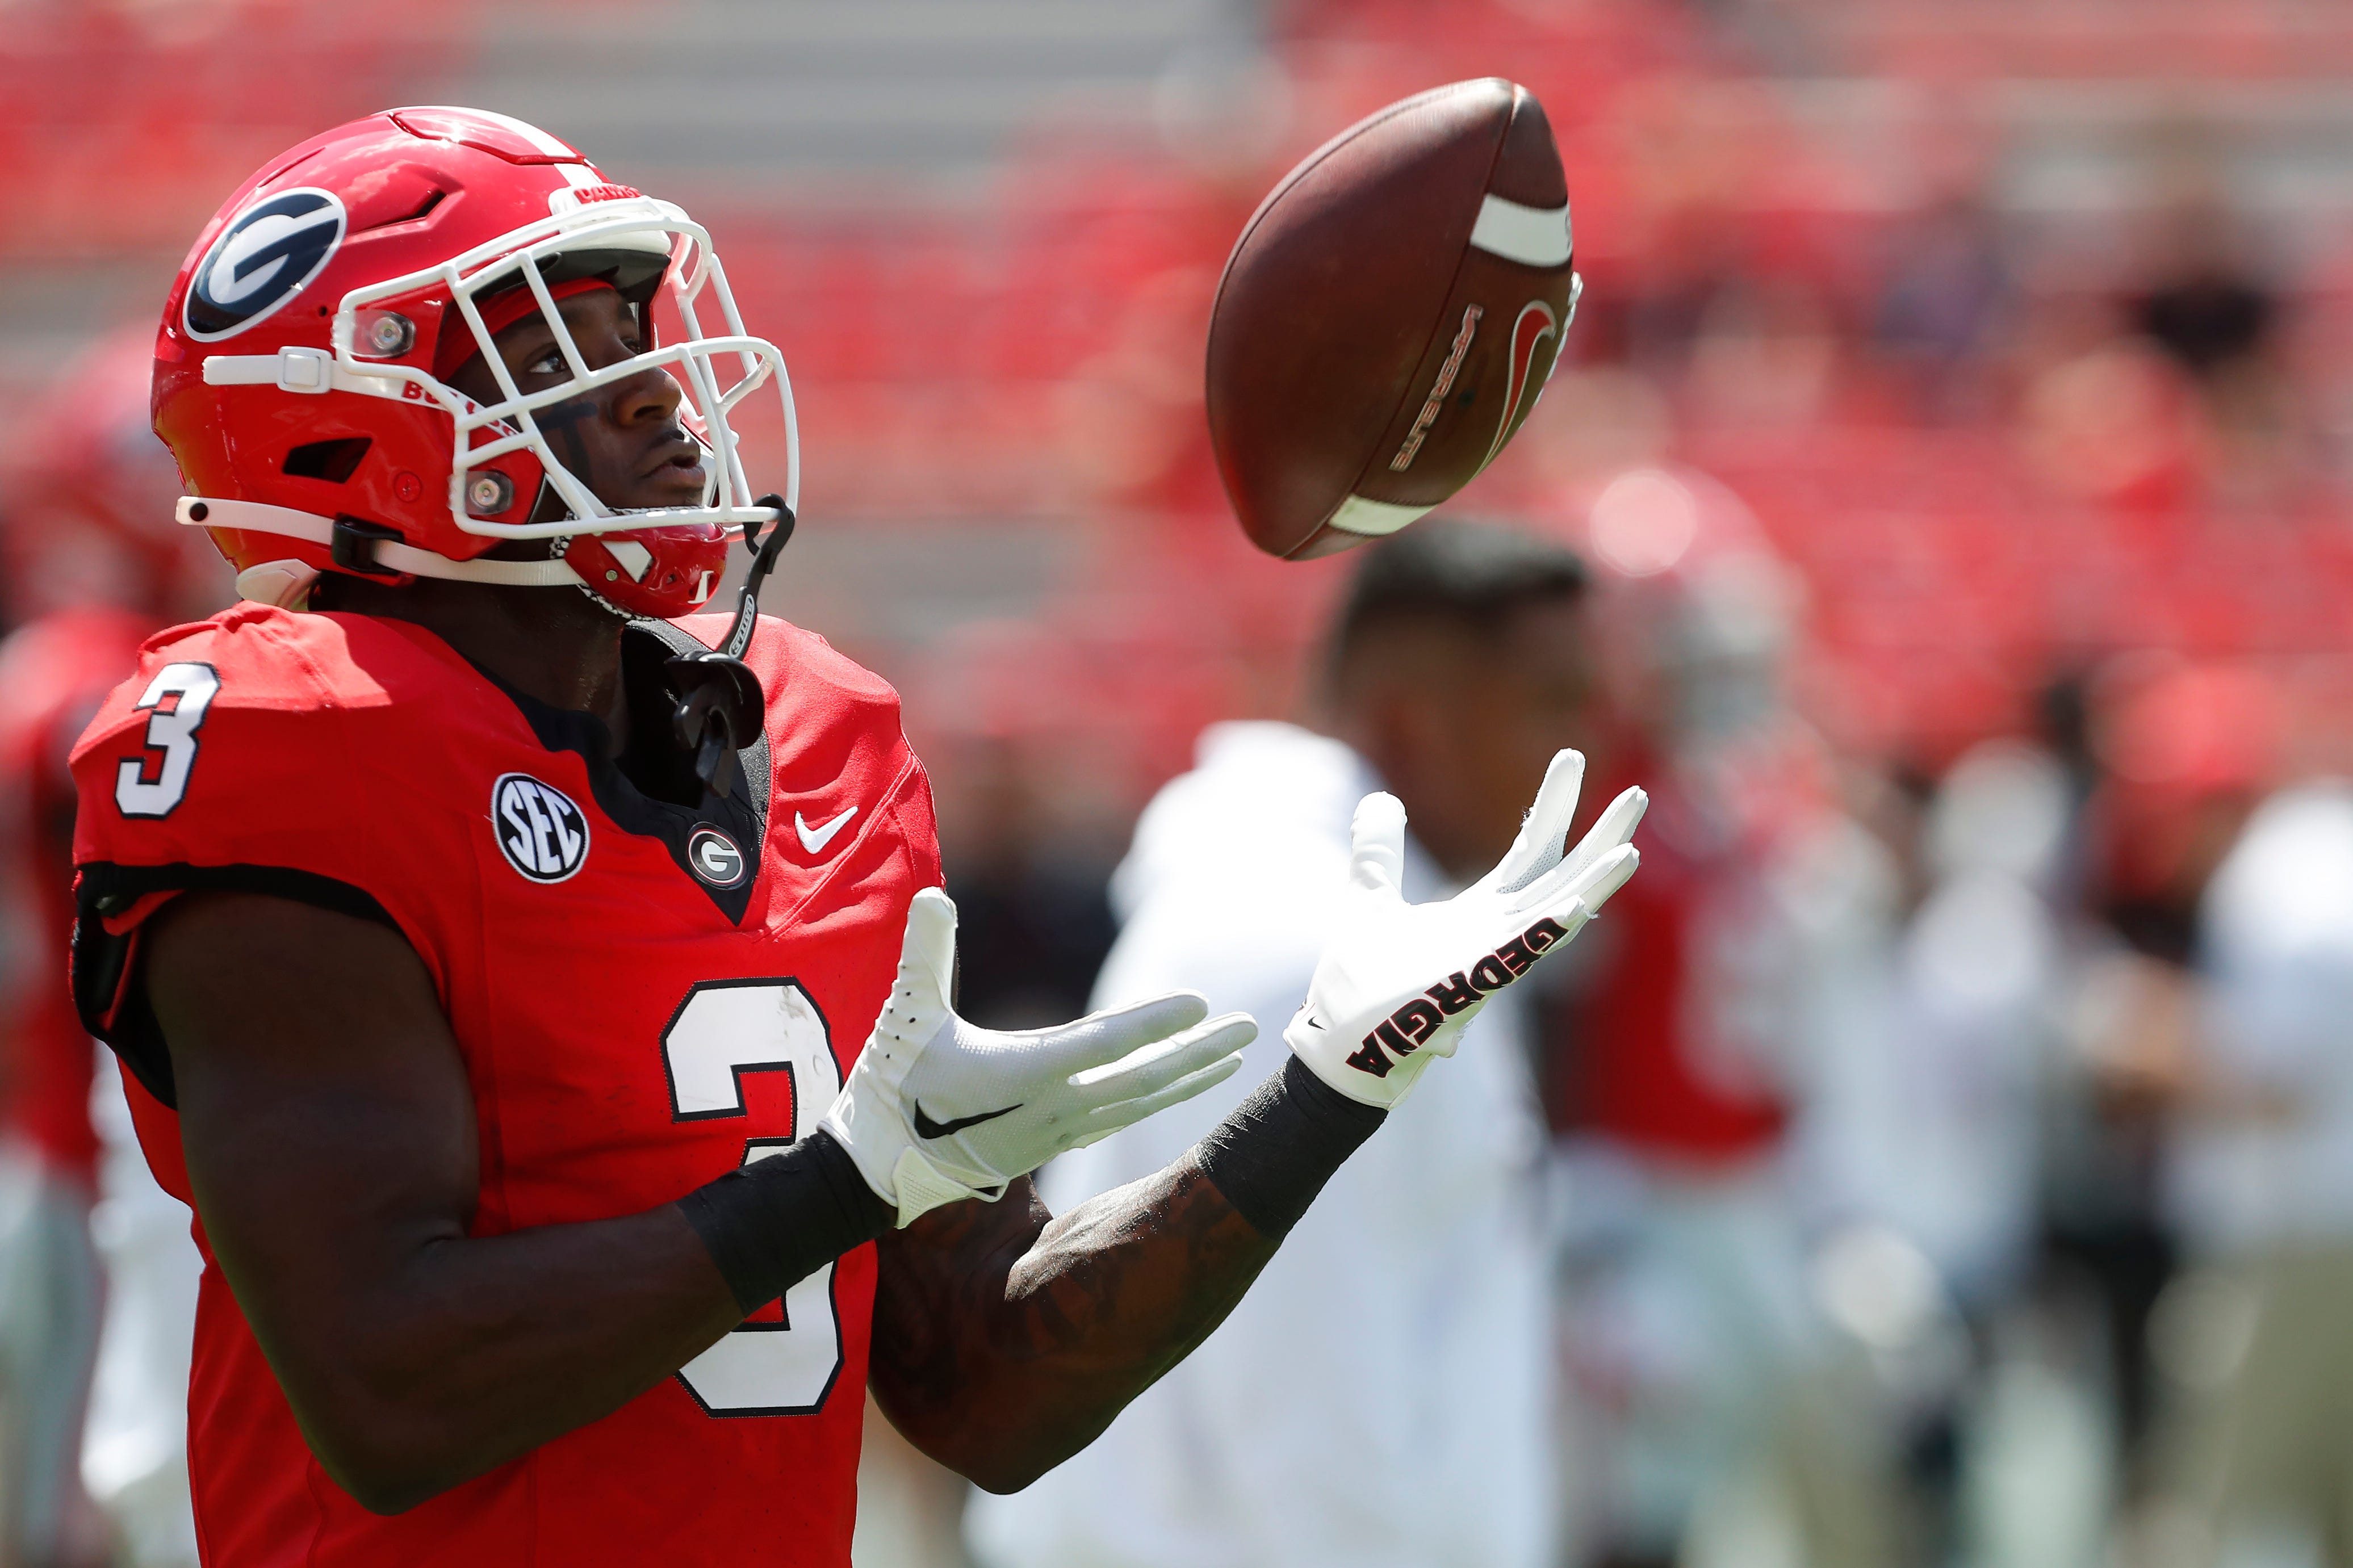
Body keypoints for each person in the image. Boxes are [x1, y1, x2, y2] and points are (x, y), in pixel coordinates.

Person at [67, 107, 1646, 1566]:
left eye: (633, 319)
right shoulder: (295, 738)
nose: (649, 378)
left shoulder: (812, 732)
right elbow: (390, 1389)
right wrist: (836, 1189)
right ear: (347, 421)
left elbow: (984, 1392)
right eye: (549, 334)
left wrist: (1323, 1090)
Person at [968, 520, 1602, 1568]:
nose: (1590, 746)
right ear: (1413, 720)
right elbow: (1307, 1410)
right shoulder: (1313, 950)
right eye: (1552, 704)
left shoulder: (1329, 916)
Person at [0, 328, 220, 1568]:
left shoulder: (59, 667)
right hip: (91, 1171)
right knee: (96, 1513)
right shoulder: (109, 682)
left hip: (65, 1150)